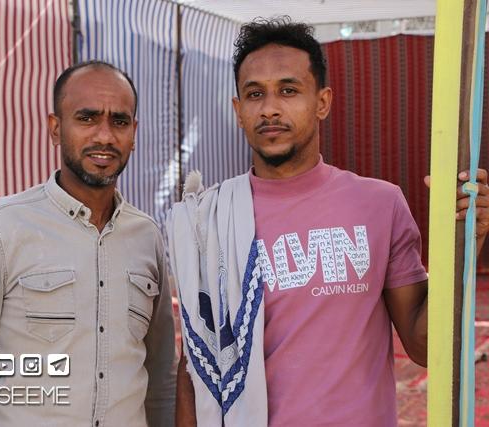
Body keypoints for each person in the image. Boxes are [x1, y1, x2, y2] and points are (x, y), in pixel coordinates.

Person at [168, 17, 489, 426]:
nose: (269, 108)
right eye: (254, 94)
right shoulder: (209, 221)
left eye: (288, 90)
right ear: (238, 111)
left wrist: (464, 242)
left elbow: (424, 346)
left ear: (322, 102)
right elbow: (195, 370)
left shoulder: (379, 205)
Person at [0, 61, 176, 427]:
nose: (104, 136)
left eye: (119, 121)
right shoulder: (1, 228)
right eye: (86, 118)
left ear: (134, 133)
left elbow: (160, 374)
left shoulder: (147, 236)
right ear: (55, 128)